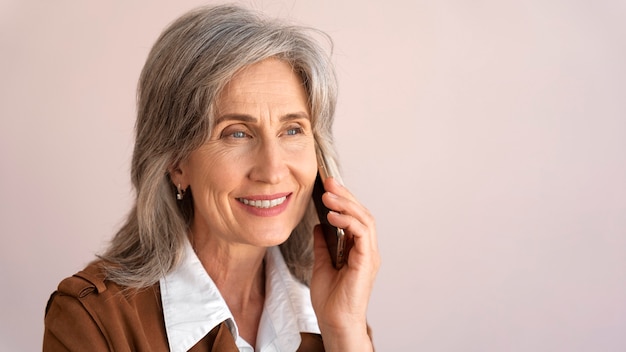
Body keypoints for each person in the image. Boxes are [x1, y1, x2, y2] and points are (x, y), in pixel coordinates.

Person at [43, 4, 380, 351]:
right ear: (176, 162)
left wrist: (345, 331)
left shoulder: (331, 311)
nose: (273, 170)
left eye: (293, 130)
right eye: (237, 134)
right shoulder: (93, 320)